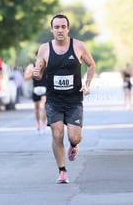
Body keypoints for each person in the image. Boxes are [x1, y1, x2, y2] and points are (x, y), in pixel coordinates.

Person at [32, 14, 96, 184]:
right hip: (54, 99)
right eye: (57, 27)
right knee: (57, 133)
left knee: (74, 137)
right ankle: (62, 171)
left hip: (74, 100)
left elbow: (91, 65)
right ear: (51, 29)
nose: (60, 30)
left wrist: (87, 84)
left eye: (63, 27)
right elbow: (38, 72)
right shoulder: (44, 49)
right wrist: (36, 73)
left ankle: (74, 146)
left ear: (68, 28)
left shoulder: (79, 46)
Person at [24, 53, 47, 134]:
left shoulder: (47, 65)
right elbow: (25, 77)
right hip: (36, 88)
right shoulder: (31, 66)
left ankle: (43, 124)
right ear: (35, 57)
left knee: (44, 107)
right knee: (37, 109)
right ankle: (38, 123)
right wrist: (32, 73)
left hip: (45, 88)